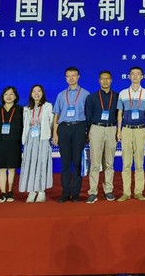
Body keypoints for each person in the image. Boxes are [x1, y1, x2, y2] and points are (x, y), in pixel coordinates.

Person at [53, 66, 90, 203]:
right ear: (65, 78)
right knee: (65, 163)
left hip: (79, 128)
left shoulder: (86, 94)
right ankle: (65, 193)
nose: (71, 78)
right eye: (68, 76)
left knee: (77, 162)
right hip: (64, 128)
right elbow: (56, 115)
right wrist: (55, 133)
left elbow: (89, 115)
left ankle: (75, 194)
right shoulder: (61, 95)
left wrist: (88, 132)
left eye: (74, 75)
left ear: (78, 77)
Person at [117, 66, 145, 201]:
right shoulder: (123, 93)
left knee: (139, 162)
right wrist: (119, 130)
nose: (135, 76)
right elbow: (119, 113)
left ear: (142, 77)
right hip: (126, 130)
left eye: (138, 74)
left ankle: (138, 191)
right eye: (133, 74)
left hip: (140, 130)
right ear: (129, 76)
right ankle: (126, 192)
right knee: (126, 162)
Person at [84, 70, 119, 203]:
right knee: (94, 162)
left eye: (107, 79)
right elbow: (88, 116)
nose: (105, 81)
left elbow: (119, 115)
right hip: (96, 129)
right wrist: (89, 132)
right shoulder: (92, 97)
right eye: (102, 79)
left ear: (111, 80)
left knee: (109, 162)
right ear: (99, 81)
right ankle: (93, 192)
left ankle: (108, 190)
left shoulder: (117, 97)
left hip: (111, 129)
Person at [0, 86, 24, 203]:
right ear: (2, 97)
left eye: (11, 94)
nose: (9, 96)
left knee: (12, 168)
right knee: (1, 168)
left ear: (15, 96)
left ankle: (10, 191)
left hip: (14, 142)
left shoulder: (21, 110)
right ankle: (2, 193)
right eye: (6, 94)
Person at [19, 84, 54, 203]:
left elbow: (52, 123)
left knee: (42, 163)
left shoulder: (48, 106)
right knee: (30, 164)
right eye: (34, 91)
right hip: (30, 139)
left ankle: (41, 190)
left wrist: (50, 136)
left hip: (43, 138)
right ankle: (31, 191)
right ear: (31, 94)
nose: (36, 94)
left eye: (39, 91)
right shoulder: (26, 109)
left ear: (43, 93)